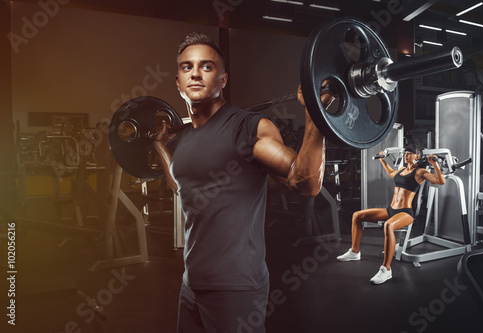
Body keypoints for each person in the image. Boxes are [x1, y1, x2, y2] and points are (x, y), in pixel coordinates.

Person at [152, 32, 333, 332]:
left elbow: (305, 184)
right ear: (177, 82)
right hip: (191, 284)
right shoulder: (181, 138)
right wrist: (160, 146)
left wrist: (315, 114)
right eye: (187, 67)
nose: (195, 73)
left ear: (223, 80)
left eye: (206, 67)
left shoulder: (250, 128)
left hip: (235, 287)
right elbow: (180, 187)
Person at [336, 144, 445, 284]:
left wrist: (434, 163)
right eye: (405, 153)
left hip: (406, 212)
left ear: (417, 157)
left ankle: (386, 269)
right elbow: (391, 173)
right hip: (391, 210)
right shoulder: (402, 170)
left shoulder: (420, 172)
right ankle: (354, 252)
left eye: (409, 153)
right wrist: (382, 160)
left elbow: (440, 181)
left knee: (388, 226)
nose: (406, 155)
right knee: (357, 215)